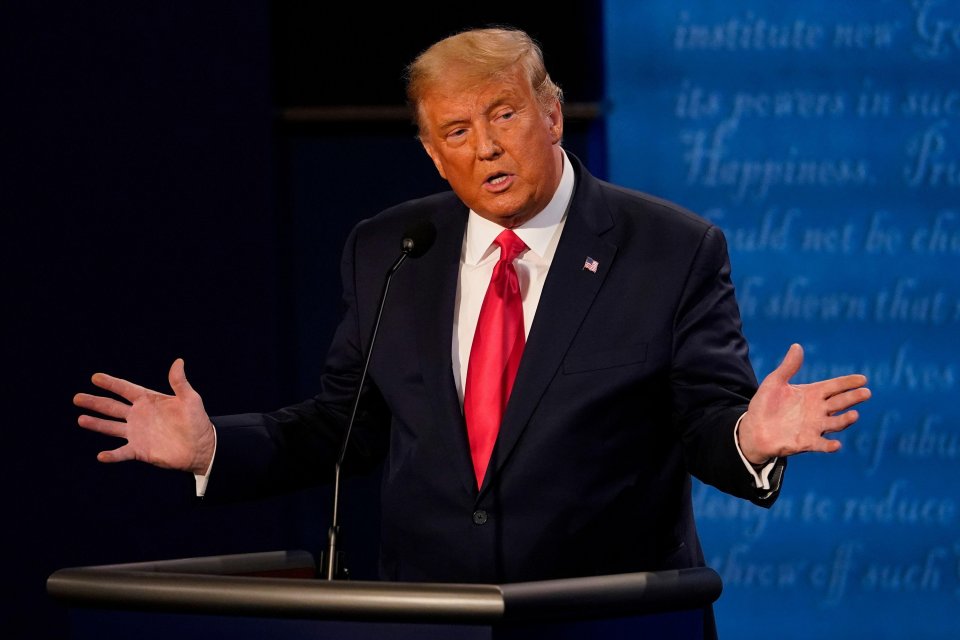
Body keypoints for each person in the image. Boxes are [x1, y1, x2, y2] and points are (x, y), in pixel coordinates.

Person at [75, 27, 869, 590]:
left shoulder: (670, 248)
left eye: (504, 114)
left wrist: (751, 438)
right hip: (432, 616)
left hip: (606, 618)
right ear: (431, 151)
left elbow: (704, 421)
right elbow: (343, 428)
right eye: (456, 129)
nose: (485, 146)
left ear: (551, 114)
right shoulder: (390, 247)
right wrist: (216, 445)